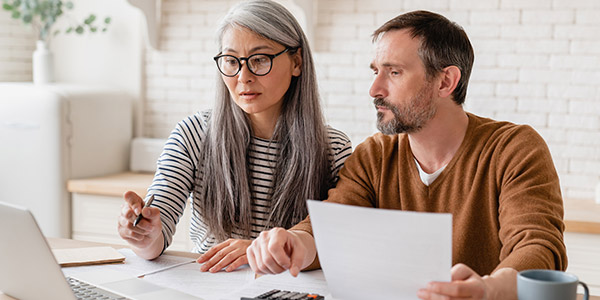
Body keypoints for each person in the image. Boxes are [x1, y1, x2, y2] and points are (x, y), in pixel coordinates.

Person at [246, 10, 567, 300]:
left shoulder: (513, 149)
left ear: (446, 81)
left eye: (394, 72)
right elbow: (330, 227)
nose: (374, 89)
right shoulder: (373, 155)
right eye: (375, 71)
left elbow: (538, 248)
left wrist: (488, 289)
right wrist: (293, 243)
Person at [117, 0, 352, 274]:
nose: (244, 77)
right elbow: (155, 238)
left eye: (260, 60)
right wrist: (142, 233)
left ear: (296, 62)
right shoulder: (194, 133)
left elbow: (339, 242)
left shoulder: (333, 148)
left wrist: (256, 251)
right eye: (231, 61)